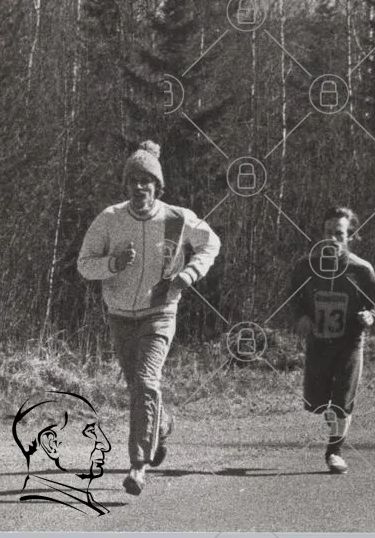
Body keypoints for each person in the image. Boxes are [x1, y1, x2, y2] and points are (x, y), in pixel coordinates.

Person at [77, 140, 221, 496]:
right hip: (121, 315)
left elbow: (211, 243)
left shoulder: (177, 218)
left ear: (158, 186)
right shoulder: (110, 219)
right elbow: (84, 265)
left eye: (147, 181)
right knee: (138, 388)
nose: (140, 187)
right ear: (126, 185)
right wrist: (113, 264)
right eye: (133, 181)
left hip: (160, 312)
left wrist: (190, 273)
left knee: (145, 382)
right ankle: (162, 423)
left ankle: (138, 466)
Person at [289, 207, 375, 475]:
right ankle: (334, 416)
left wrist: (370, 316)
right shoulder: (305, 267)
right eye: (328, 232)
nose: (332, 238)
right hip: (318, 343)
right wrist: (300, 318)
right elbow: (293, 301)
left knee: (343, 398)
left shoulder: (361, 270)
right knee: (317, 402)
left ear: (350, 236)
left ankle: (334, 451)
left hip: (350, 343)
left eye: (339, 234)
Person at [12, 391, 112, 516]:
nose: (106, 446)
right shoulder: (45, 514)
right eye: (90, 431)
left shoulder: (84, 505)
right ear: (51, 445)